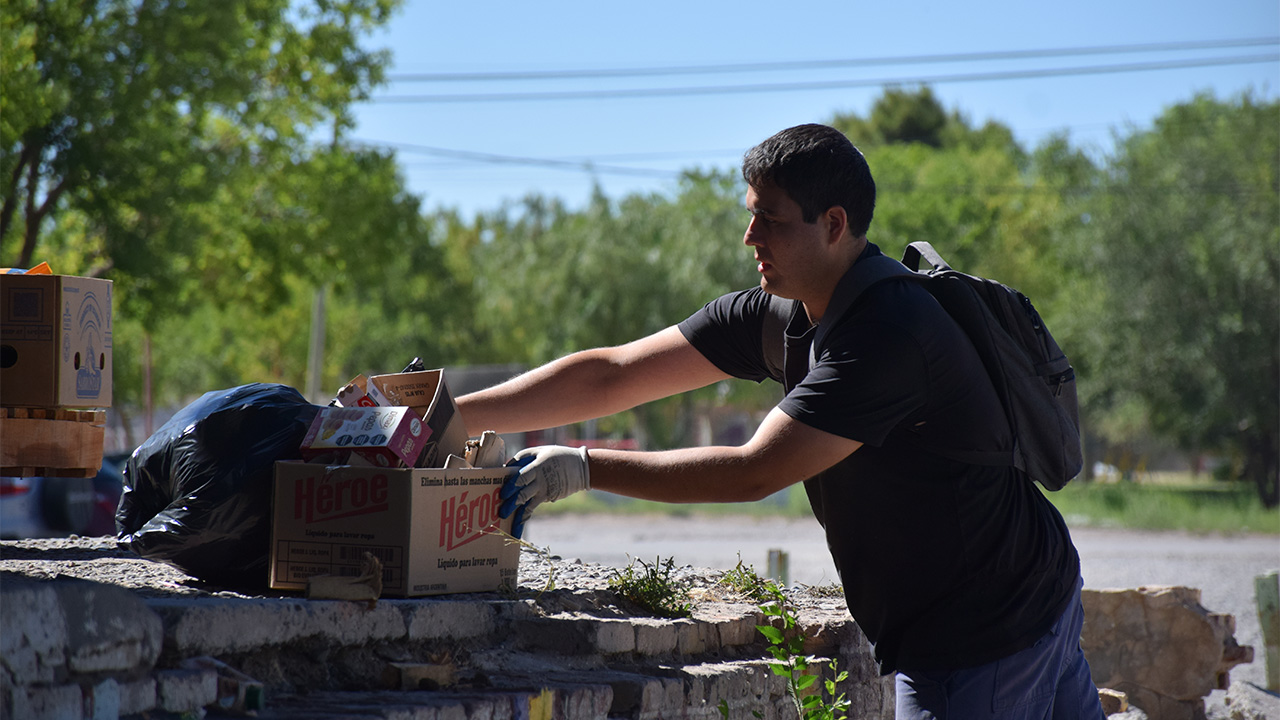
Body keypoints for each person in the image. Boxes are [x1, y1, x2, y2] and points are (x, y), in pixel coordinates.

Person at [455, 123, 1105, 720]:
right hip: (1025, 593)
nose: (750, 237)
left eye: (769, 219)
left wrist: (585, 466)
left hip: (983, 630)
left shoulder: (887, 333)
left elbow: (754, 471)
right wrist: (450, 417)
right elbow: (616, 373)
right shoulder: (781, 315)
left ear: (833, 224)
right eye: (750, 215)